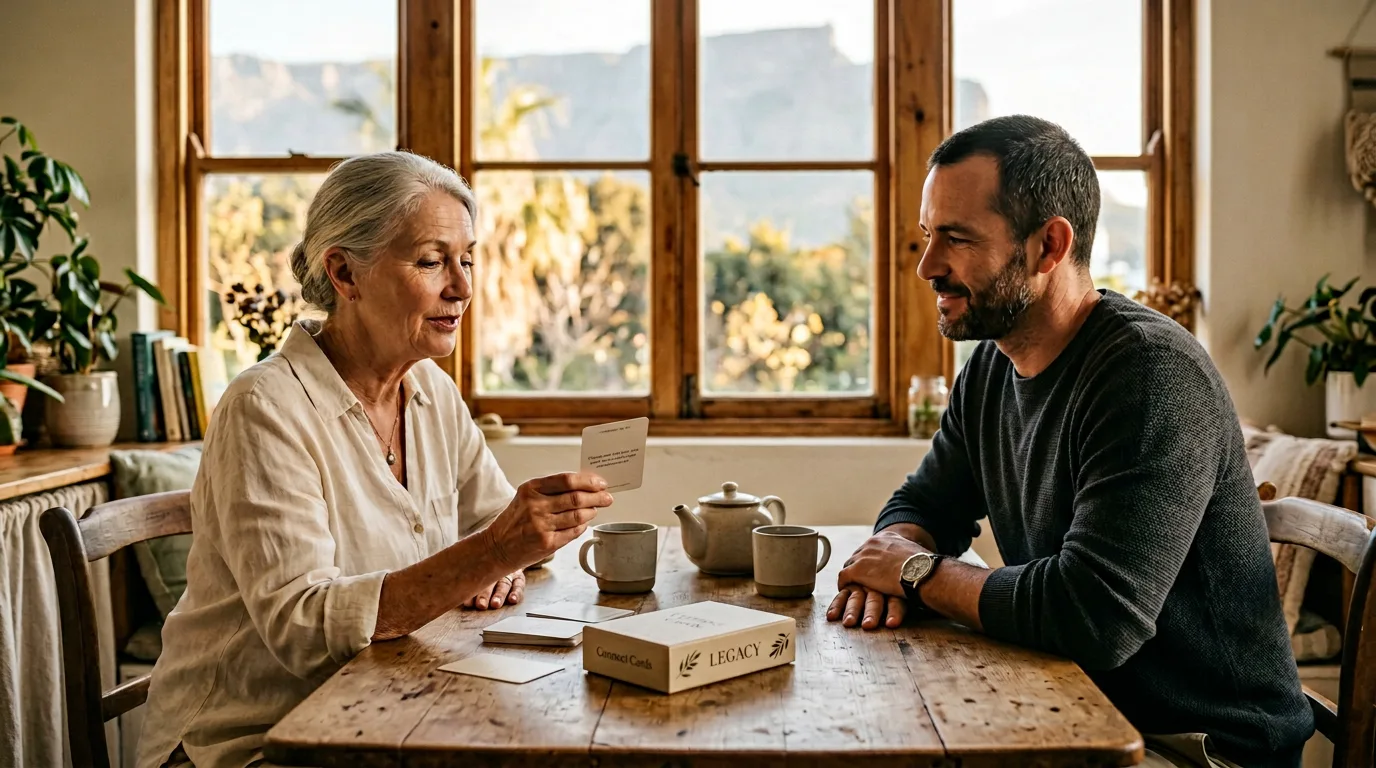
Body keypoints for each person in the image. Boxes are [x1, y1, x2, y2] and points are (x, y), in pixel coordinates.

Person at [826, 116, 1312, 768]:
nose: (927, 267)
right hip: (1080, 709)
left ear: (1049, 246)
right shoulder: (992, 368)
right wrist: (897, 554)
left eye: (957, 238)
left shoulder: (1149, 375)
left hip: (1199, 749)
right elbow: (925, 503)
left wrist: (914, 573)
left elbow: (1096, 617)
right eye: (926, 236)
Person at [137, 151, 614, 768]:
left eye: (467, 259)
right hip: (248, 742)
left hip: (388, 711)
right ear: (343, 273)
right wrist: (492, 553)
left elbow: (496, 528)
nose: (463, 288)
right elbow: (304, 629)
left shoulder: (432, 392)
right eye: (431, 261)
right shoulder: (263, 408)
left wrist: (513, 549)